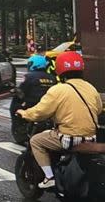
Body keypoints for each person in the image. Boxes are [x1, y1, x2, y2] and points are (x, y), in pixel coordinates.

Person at [16, 51, 103, 189]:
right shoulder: (91, 88)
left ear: (60, 70)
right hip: (90, 138)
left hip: (69, 139)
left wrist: (24, 113)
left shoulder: (58, 90)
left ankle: (49, 177)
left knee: (36, 141)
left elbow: (39, 112)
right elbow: (98, 109)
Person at [10, 54, 57, 144]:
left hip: (32, 105)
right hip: (48, 106)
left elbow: (22, 91)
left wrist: (15, 92)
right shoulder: (52, 77)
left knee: (15, 106)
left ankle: (20, 131)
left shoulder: (29, 76)